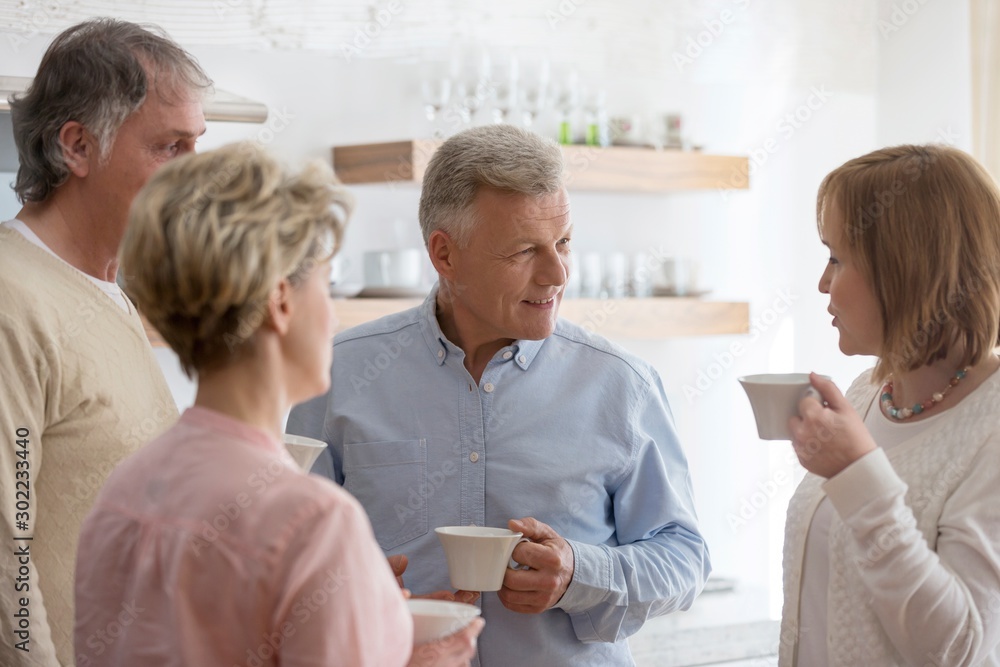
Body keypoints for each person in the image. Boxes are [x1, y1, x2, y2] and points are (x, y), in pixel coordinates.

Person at [287, 124, 711, 666]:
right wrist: (354, 599)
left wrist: (579, 574)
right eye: (523, 251)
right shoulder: (337, 374)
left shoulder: (621, 385)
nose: (556, 274)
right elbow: (288, 561)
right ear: (444, 254)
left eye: (563, 244)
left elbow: (684, 559)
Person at [74, 142, 483, 666]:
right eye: (325, 286)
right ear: (280, 301)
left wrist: (362, 620)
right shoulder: (312, 521)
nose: (333, 318)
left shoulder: (123, 491)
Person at [0, 18, 210, 666]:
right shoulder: (12, 297)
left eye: (196, 145)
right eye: (169, 147)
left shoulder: (105, 288)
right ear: (78, 147)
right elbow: (9, 545)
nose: (193, 174)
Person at [782, 144, 1000, 666]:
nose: (822, 282)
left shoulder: (992, 424)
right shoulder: (866, 392)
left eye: (836, 257)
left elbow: (960, 650)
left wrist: (859, 474)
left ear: (904, 268)